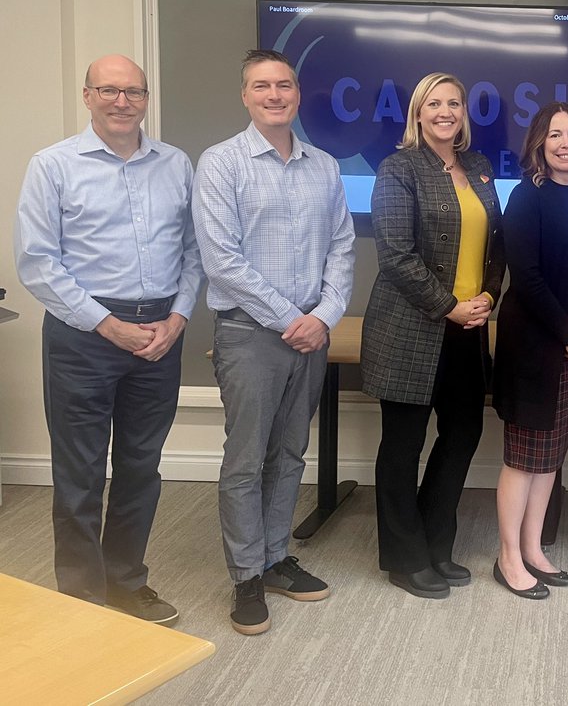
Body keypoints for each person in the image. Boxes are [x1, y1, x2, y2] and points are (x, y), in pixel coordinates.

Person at [14, 54, 202, 624]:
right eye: (110, 90)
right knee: (81, 474)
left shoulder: (175, 164)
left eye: (134, 92)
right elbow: (38, 262)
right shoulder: (53, 165)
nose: (123, 101)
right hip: (84, 336)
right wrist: (105, 323)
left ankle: (126, 582)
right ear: (88, 95)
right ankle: (81, 599)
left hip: (159, 335)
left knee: (141, 468)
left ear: (146, 98)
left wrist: (179, 318)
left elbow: (195, 252)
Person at [192, 49, 355, 635]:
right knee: (246, 458)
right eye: (261, 86)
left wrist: (326, 313)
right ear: (245, 96)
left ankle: (276, 557)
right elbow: (222, 261)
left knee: (289, 453)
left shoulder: (325, 166)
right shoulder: (221, 164)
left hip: (309, 335)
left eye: (284, 84)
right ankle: (245, 577)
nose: (274, 94)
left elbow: (342, 246)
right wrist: (295, 317)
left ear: (297, 93)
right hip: (249, 333)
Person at [360, 72, 505, 600]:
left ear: (464, 113)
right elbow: (395, 254)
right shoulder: (398, 169)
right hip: (412, 328)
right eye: (434, 103)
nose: (445, 111)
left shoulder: (481, 169)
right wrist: (449, 306)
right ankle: (404, 556)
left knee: (463, 435)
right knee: (402, 446)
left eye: (454, 103)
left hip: (468, 329)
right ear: (418, 114)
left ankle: (434, 542)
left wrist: (487, 297)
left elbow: (495, 244)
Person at [491, 102, 568, 599]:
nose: (565, 142)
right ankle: (508, 557)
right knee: (523, 455)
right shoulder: (525, 198)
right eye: (555, 134)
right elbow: (529, 280)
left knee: (550, 456)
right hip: (538, 341)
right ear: (539, 144)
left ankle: (534, 549)